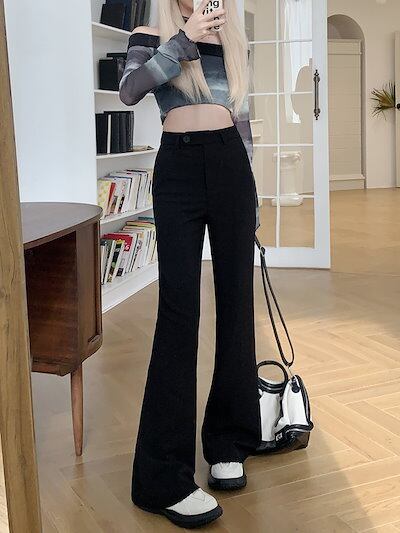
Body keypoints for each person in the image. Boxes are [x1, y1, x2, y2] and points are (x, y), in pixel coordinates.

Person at [119, 0, 261, 527]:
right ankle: (162, 477)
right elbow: (129, 91)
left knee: (236, 304)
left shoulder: (233, 38)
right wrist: (183, 40)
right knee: (178, 313)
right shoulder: (147, 32)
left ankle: (229, 442)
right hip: (176, 168)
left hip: (230, 166)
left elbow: (240, 117)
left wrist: (252, 198)